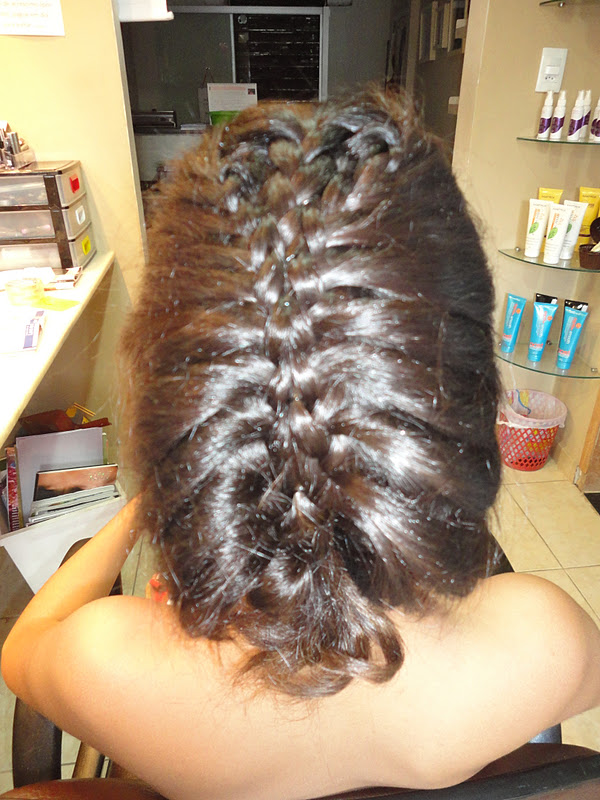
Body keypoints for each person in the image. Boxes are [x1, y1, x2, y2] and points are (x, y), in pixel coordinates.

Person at [2, 88, 600, 800]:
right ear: (459, 422)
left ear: (178, 438)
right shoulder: (543, 642)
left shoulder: (104, 664)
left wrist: (143, 509)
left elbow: (23, 648)